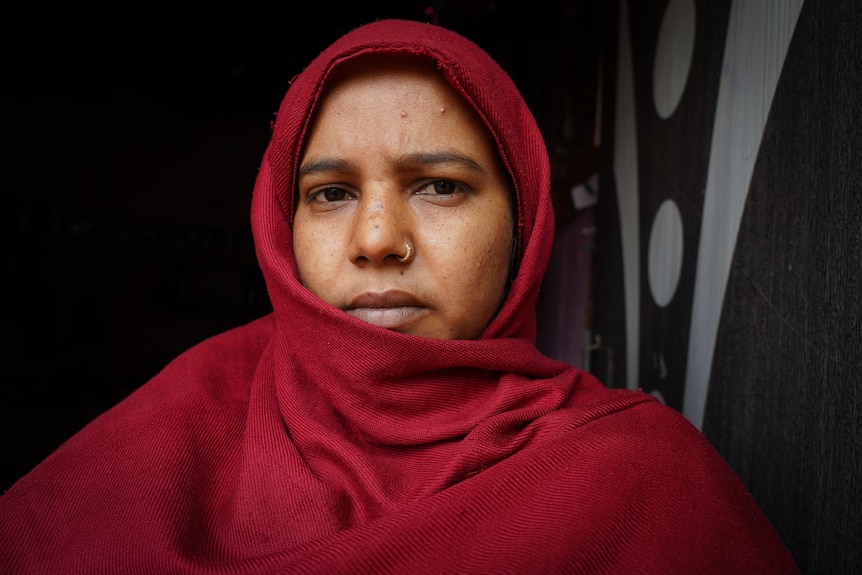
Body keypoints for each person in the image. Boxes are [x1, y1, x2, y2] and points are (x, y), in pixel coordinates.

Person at [0, 19, 799, 574]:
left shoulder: (645, 486)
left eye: (441, 184)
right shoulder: (173, 428)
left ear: (523, 222)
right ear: (282, 223)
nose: (377, 237)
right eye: (329, 193)